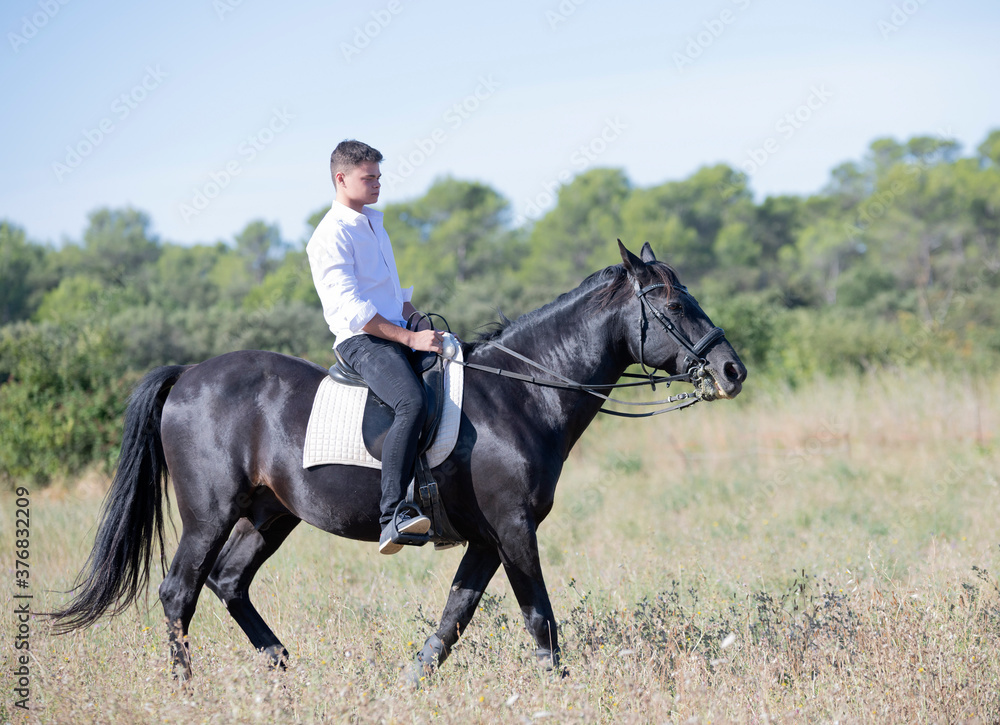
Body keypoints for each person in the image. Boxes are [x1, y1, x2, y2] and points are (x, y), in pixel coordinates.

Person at [306, 139, 443, 555]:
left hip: (396, 328)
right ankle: (392, 516)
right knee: (411, 403)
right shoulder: (329, 235)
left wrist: (418, 320)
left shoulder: (374, 224)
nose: (377, 184)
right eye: (369, 178)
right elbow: (354, 310)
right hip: (362, 341)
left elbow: (392, 295)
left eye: (379, 177)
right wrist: (409, 338)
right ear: (341, 178)